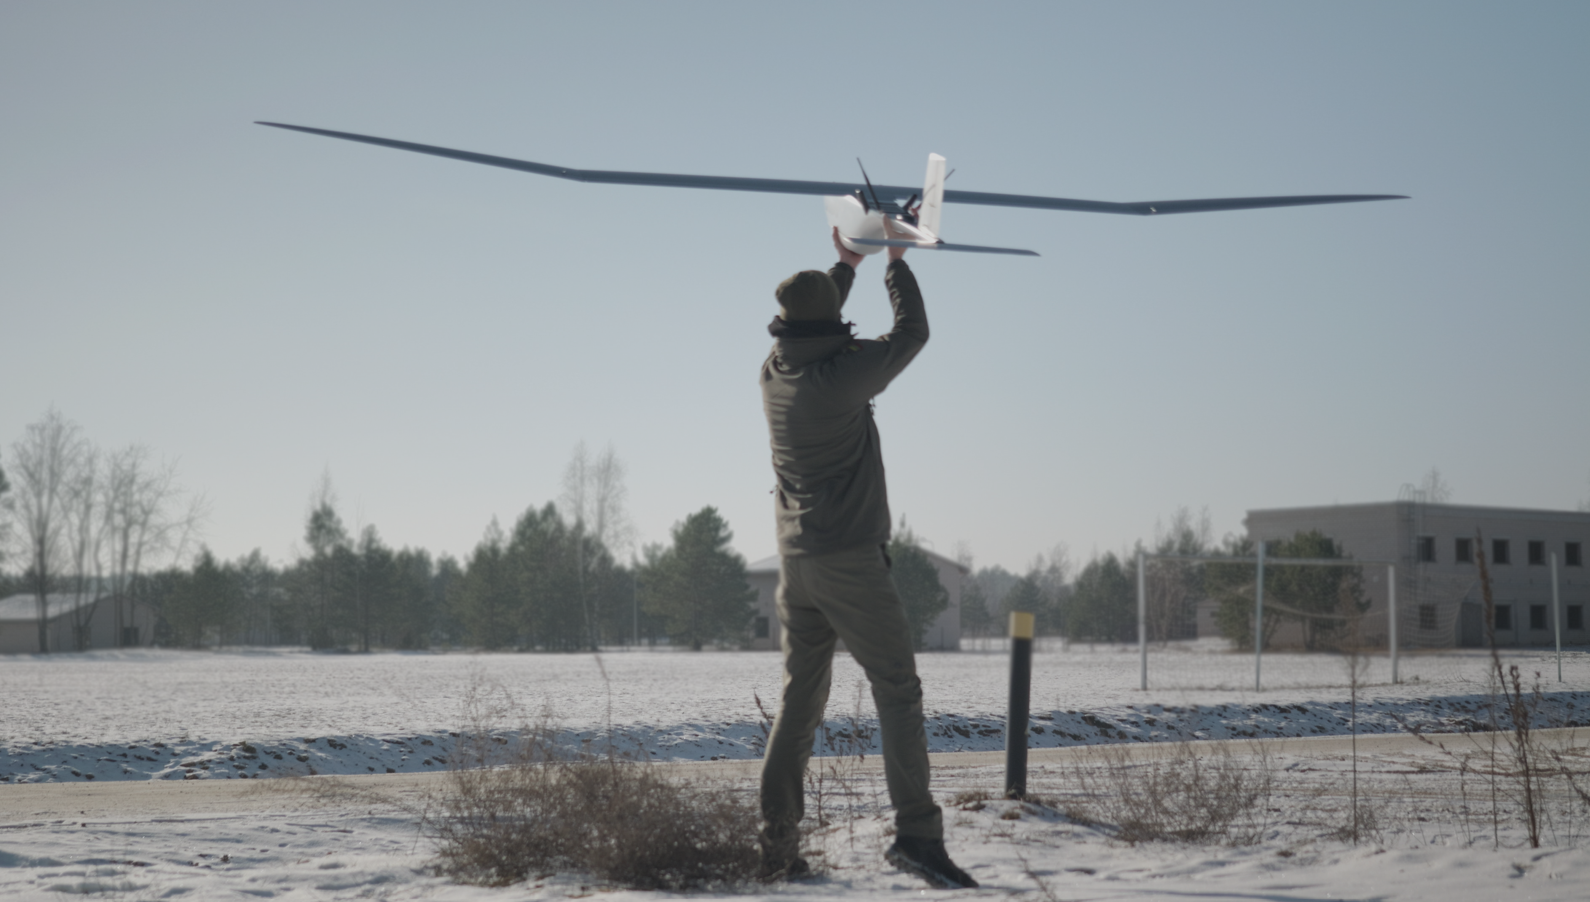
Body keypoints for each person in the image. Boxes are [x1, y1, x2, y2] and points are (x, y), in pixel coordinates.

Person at [756, 222, 977, 889]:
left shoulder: (774, 373)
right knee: (898, 691)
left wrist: (845, 264)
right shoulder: (841, 380)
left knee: (799, 704)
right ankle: (916, 836)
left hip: (795, 564)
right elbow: (912, 335)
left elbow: (818, 320)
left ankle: (775, 848)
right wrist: (896, 264)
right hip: (849, 560)